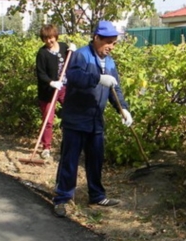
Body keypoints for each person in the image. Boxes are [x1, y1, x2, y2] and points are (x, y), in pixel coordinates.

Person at [52, 21, 133, 218]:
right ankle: (62, 198)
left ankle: (96, 195)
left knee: (96, 159)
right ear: (97, 38)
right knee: (70, 159)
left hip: (95, 119)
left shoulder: (111, 62)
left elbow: (116, 89)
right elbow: (74, 76)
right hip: (76, 117)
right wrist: (97, 78)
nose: (111, 47)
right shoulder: (82, 55)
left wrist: (123, 109)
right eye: (109, 42)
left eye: (114, 43)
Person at [35, 24, 77, 160]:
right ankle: (46, 147)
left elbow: (73, 62)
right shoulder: (42, 53)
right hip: (48, 91)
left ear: (55, 36)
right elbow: (40, 74)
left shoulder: (64, 47)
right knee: (48, 120)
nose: (49, 41)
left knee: (71, 114)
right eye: (46, 39)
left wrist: (74, 51)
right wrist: (51, 82)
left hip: (65, 88)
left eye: (51, 38)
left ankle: (71, 144)